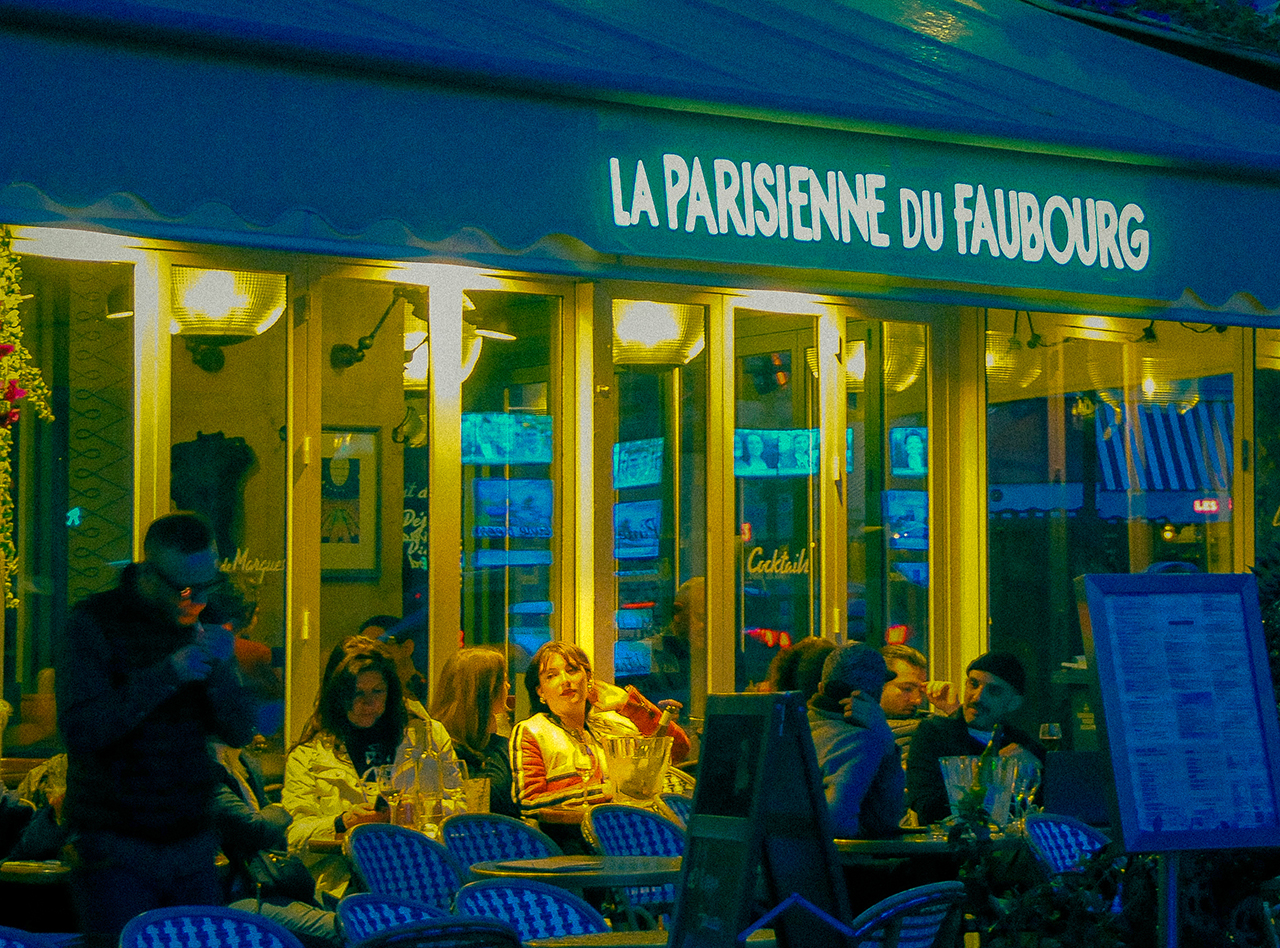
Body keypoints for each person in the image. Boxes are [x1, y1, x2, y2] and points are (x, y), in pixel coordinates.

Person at [55, 512, 257, 945]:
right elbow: (81, 730)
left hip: (193, 841)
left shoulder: (208, 619)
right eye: (185, 589)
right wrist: (167, 675)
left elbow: (240, 730)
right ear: (148, 573)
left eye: (207, 584)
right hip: (114, 846)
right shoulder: (95, 622)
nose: (197, 600)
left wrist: (223, 670)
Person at [282, 641, 463, 901]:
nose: (368, 703)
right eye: (356, 693)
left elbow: (460, 807)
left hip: (421, 874)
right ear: (337, 695)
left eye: (377, 691)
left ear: (391, 692)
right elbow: (293, 840)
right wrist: (342, 822)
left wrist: (413, 811)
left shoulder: (428, 737)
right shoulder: (309, 755)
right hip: (345, 885)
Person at [511, 641, 690, 818]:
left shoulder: (614, 723)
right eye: (551, 676)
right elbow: (528, 803)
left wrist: (630, 705)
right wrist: (601, 791)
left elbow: (678, 750)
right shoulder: (532, 731)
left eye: (572, 670)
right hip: (569, 832)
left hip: (631, 824)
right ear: (541, 691)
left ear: (588, 678)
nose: (565, 680)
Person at [211, 741, 341, 948]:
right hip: (230, 896)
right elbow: (255, 828)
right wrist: (280, 809)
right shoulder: (202, 767)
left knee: (358, 912)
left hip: (270, 882)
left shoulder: (241, 761)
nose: (256, 731)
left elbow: (266, 829)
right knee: (346, 927)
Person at [905, 651, 1045, 826]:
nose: (977, 697)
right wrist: (990, 772)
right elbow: (928, 809)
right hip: (951, 842)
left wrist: (1039, 772)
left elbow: (1046, 809)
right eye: (973, 684)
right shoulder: (935, 734)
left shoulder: (1023, 746)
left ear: (1013, 703)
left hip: (1009, 842)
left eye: (993, 691)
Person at [807, 644, 904, 840]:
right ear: (875, 696)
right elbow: (838, 822)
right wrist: (886, 741)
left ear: (821, 687)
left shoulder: (794, 728)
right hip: (837, 858)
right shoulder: (860, 741)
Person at [430, 646, 520, 818]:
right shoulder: (441, 749)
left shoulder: (496, 743)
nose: (508, 686)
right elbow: (488, 799)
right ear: (485, 691)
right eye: (503, 680)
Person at [878, 644, 959, 764]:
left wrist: (953, 710)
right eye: (907, 689)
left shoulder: (933, 727)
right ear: (879, 684)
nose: (918, 700)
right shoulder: (858, 730)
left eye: (921, 691)